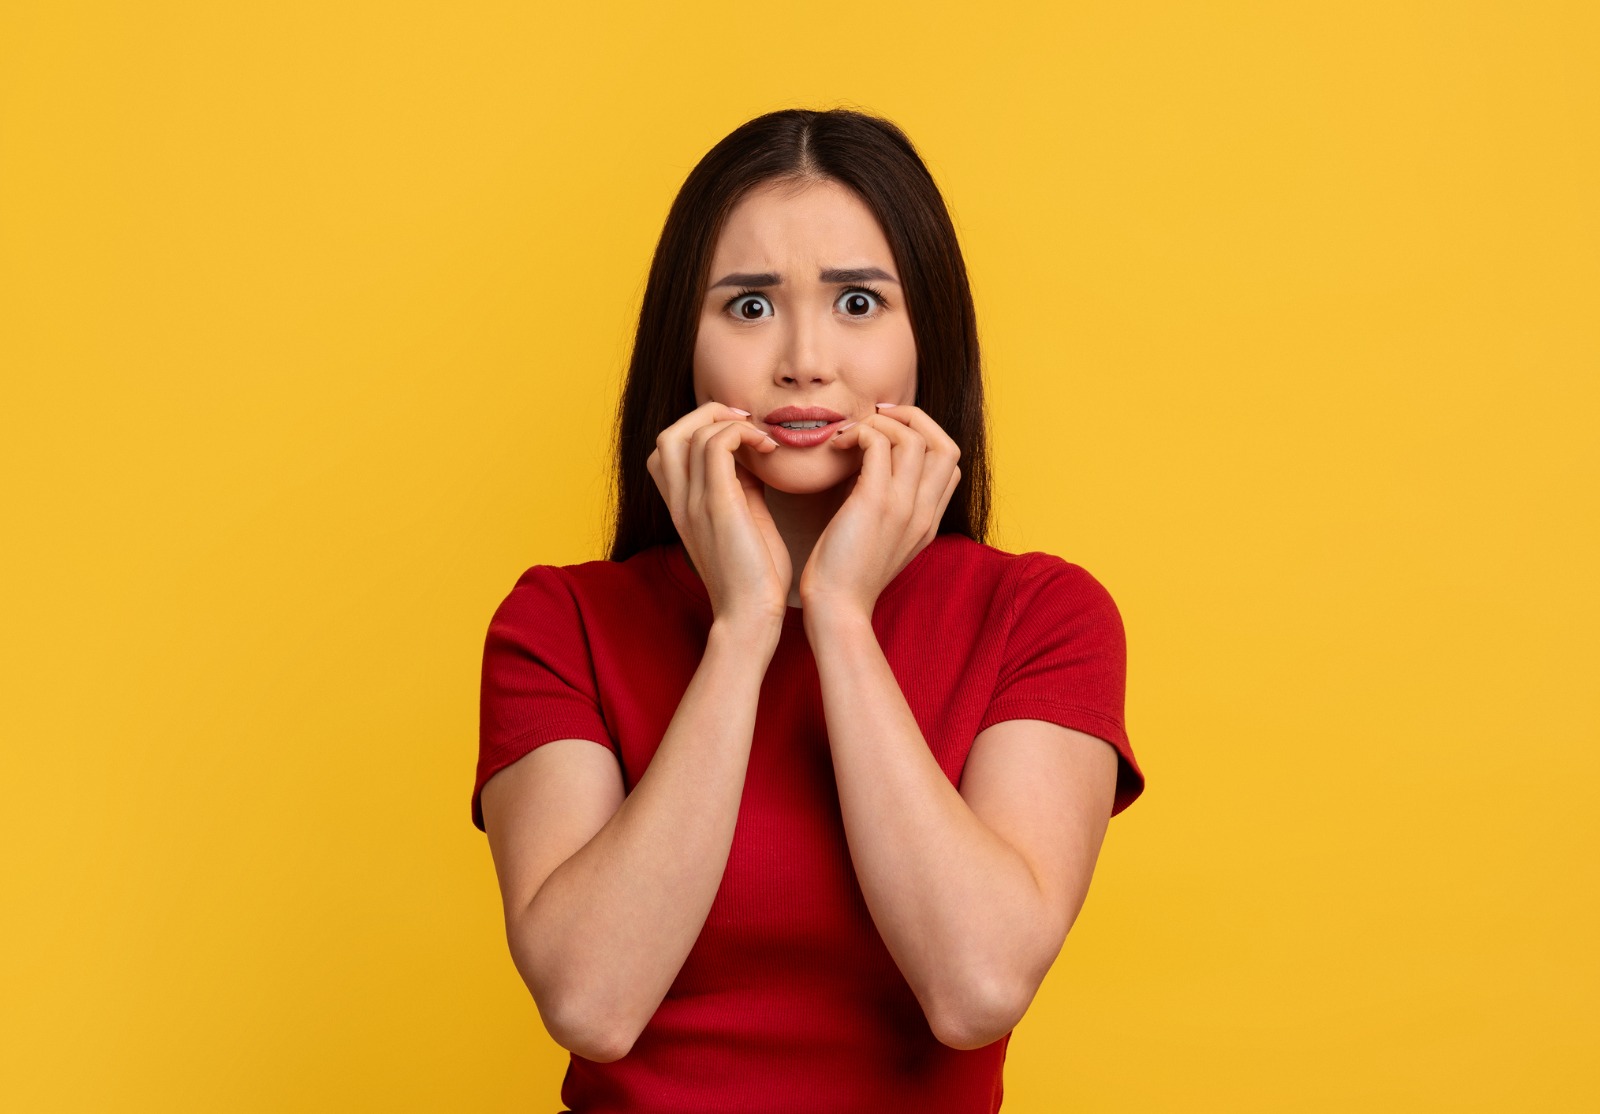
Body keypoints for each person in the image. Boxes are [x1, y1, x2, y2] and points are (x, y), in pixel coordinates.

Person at [472, 107, 1146, 1113]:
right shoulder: (560, 621)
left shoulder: (1042, 615)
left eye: (858, 302)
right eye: (748, 307)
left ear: (929, 337)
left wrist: (835, 611)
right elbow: (591, 999)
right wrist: (743, 630)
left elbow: (978, 988)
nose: (802, 358)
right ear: (683, 345)